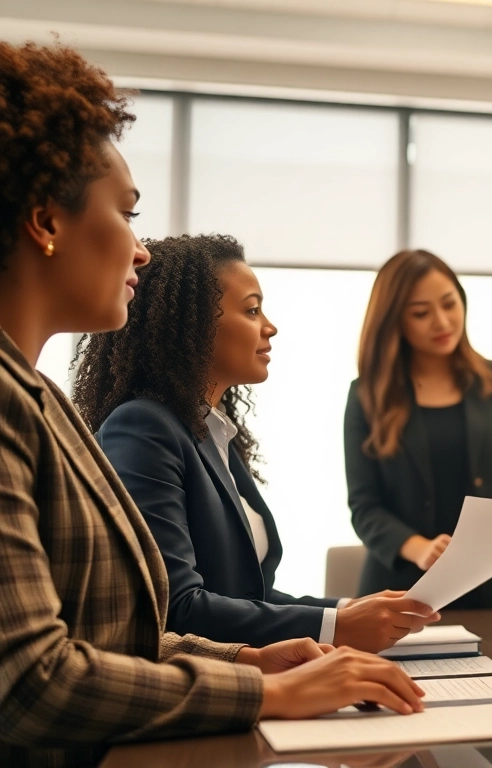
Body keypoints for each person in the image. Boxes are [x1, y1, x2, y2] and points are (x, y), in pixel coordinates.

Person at [0, 41, 422, 766]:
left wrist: (252, 662)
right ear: (46, 222)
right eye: (127, 214)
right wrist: (264, 692)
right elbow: (31, 682)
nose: (141, 251)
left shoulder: (41, 400)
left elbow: (114, 637)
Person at [72, 234, 439, 652]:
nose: (270, 326)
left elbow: (249, 600)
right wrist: (336, 624)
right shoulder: (143, 426)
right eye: (251, 310)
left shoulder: (213, 433)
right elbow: (176, 608)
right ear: (191, 324)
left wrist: (351, 608)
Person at [345, 249, 492, 603]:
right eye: (421, 313)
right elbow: (365, 506)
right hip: (402, 591)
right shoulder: (366, 395)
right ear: (395, 320)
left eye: (449, 304)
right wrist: (418, 547)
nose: (441, 322)